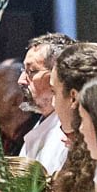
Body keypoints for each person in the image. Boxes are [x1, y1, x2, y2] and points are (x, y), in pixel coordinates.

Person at [19, 32, 75, 172]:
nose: (21, 80)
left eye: (31, 71)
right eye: (23, 70)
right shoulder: (41, 123)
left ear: (56, 75)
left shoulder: (70, 131)